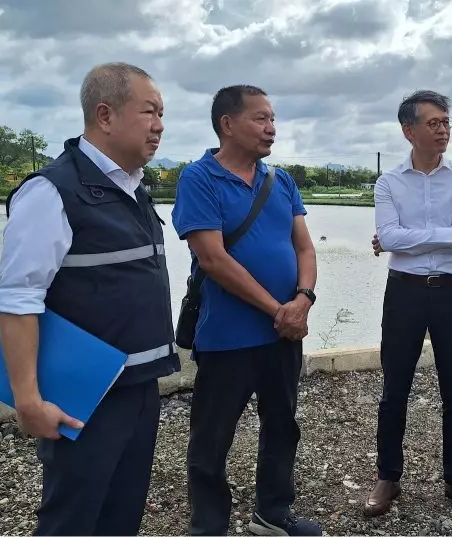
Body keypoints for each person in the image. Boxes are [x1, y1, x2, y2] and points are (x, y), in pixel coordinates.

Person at [0, 62, 179, 536]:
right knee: (73, 520)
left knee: (121, 517)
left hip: (139, 385)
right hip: (85, 394)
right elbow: (18, 301)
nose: (159, 125)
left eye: (162, 114)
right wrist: (28, 401)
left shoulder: (134, 189)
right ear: (105, 115)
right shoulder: (51, 192)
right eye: (149, 112)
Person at [171, 84, 320, 537]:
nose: (271, 128)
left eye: (273, 119)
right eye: (260, 118)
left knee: (283, 427)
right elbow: (213, 259)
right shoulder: (198, 178)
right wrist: (279, 309)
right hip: (228, 337)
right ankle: (208, 526)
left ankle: (272, 514)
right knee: (211, 439)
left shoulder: (281, 181)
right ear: (227, 124)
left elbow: (304, 247)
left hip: (284, 335)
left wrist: (303, 299)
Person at [365, 90, 452, 519]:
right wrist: (444, 236)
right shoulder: (389, 182)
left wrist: (407, 238)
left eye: (446, 122)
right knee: (394, 388)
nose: (443, 130)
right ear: (409, 130)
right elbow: (390, 236)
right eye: (433, 123)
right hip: (405, 292)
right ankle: (388, 476)